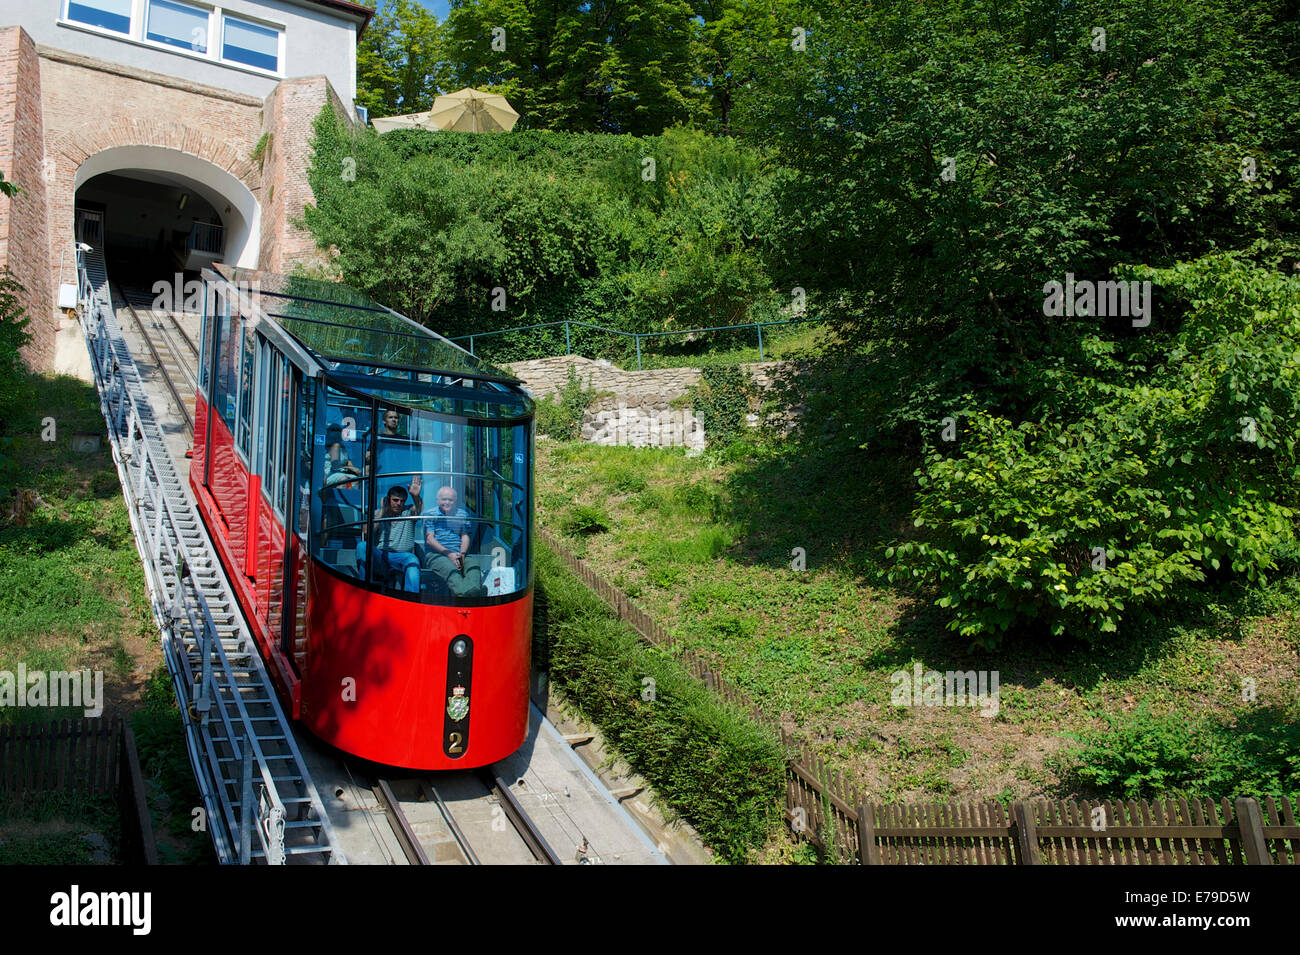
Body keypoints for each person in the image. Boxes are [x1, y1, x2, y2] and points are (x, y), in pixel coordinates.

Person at [356, 476, 424, 593]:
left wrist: (415, 496)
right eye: (395, 500)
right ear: (388, 499)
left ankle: (411, 598)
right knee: (362, 546)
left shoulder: (408, 512)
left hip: (403, 557)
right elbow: (366, 531)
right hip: (381, 556)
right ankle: (364, 589)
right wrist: (382, 511)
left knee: (413, 560)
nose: (399, 504)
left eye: (402, 501)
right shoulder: (378, 513)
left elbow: (419, 508)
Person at [422, 486, 485, 597]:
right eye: (444, 499)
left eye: (450, 500)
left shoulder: (462, 514)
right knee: (452, 571)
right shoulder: (430, 514)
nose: (447, 502)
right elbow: (429, 539)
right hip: (436, 554)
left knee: (473, 566)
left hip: (458, 553)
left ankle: (474, 591)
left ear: (455, 501)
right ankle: (467, 595)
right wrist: (448, 554)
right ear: (437, 500)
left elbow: (465, 536)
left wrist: (462, 555)